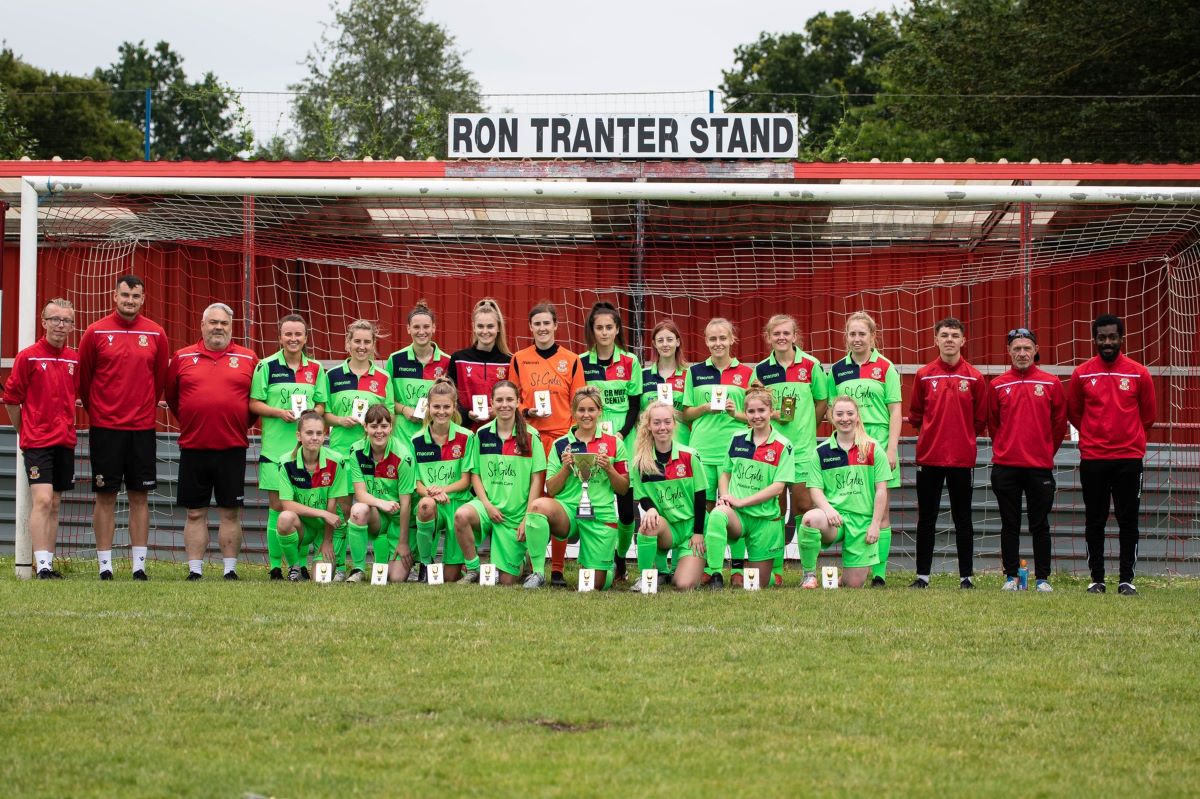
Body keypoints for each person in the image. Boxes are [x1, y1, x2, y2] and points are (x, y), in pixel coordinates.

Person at [76, 275, 169, 581]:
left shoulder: (156, 333)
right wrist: (102, 412)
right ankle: (105, 565)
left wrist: (141, 409)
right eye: (126, 295)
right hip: (106, 429)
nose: (130, 300)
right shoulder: (95, 331)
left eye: (136, 296)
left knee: (139, 496)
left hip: (142, 429)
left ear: (144, 299)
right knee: (105, 496)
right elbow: (84, 381)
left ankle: (138, 565)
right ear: (115, 296)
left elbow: (158, 382)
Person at [165, 303, 257, 580]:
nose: (218, 327)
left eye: (224, 323)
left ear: (232, 327)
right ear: (202, 325)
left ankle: (230, 571)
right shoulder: (182, 357)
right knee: (195, 513)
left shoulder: (248, 357)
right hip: (194, 446)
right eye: (213, 322)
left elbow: (254, 403)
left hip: (232, 447)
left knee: (230, 512)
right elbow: (172, 397)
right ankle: (195, 570)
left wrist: (236, 422)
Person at [1067, 314, 1156, 595]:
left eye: (1112, 337)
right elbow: (1075, 413)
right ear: (1094, 340)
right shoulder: (1081, 374)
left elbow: (1148, 416)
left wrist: (1127, 438)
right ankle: (1097, 579)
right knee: (1095, 519)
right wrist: (1096, 436)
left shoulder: (1138, 373)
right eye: (1102, 337)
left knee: (1128, 520)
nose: (1107, 342)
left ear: (1121, 339)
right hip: (1093, 459)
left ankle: (1126, 579)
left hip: (1129, 459)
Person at [508, 301, 586, 587]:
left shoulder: (572, 360)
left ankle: (556, 569)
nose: (542, 328)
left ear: (555, 325)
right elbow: (512, 400)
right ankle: (532, 564)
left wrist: (574, 439)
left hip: (561, 440)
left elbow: (580, 403)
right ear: (530, 327)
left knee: (557, 502)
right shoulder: (519, 358)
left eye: (546, 323)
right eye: (536, 323)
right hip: (531, 438)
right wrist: (527, 413)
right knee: (531, 501)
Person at [907, 318, 988, 589]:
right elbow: (916, 415)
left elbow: (979, 420)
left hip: (961, 459)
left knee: (963, 518)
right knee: (926, 519)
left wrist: (961, 439)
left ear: (963, 340)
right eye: (944, 335)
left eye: (955, 335)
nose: (950, 339)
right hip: (929, 457)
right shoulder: (924, 374)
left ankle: (966, 576)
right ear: (936, 339)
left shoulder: (975, 377)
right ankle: (922, 576)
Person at [525, 387, 630, 590]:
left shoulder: (614, 443)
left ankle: (606, 567)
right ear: (573, 413)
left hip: (600, 514)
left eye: (591, 409)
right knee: (538, 507)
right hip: (568, 511)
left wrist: (609, 468)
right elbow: (552, 490)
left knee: (594, 585)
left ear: (600, 411)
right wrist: (565, 468)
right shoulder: (560, 444)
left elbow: (624, 488)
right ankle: (537, 572)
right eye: (581, 410)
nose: (586, 415)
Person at [4, 299, 79, 579]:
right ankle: (43, 565)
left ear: (72, 325)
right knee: (44, 500)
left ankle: (45, 562)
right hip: (37, 442)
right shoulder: (29, 357)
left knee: (56, 502)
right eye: (55, 319)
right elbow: (11, 399)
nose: (61, 325)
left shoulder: (74, 358)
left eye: (66, 320)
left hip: (65, 440)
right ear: (44, 322)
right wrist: (23, 430)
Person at [988, 328, 1068, 592]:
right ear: (1009, 352)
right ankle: (1011, 576)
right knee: (1009, 524)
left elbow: (1058, 426)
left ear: (1035, 351)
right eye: (1017, 349)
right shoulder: (998, 385)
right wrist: (1007, 448)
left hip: (1039, 468)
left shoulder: (1051, 383)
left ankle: (1042, 578)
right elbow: (993, 425)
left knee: (1040, 525)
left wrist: (1045, 452)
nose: (1022, 353)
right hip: (1006, 467)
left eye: (1026, 348)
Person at [250, 314, 328, 580]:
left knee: (303, 507)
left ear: (306, 338)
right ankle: (274, 566)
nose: (293, 339)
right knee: (276, 507)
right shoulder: (266, 366)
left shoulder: (316, 369)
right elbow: (254, 403)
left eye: (298, 335)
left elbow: (321, 405)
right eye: (288, 334)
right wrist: (277, 412)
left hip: (308, 454)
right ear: (280, 337)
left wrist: (309, 413)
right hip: (275, 452)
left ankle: (300, 564)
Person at [754, 313, 829, 586]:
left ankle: (809, 572)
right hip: (771, 450)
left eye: (786, 333)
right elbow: (755, 405)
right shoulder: (762, 370)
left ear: (795, 336)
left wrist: (808, 427)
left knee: (803, 506)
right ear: (769, 338)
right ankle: (776, 570)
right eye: (776, 334)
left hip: (803, 449)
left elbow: (822, 401)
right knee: (774, 507)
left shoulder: (811, 365)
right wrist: (773, 415)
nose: (782, 338)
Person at [829, 312, 901, 587]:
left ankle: (879, 574)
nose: (857, 339)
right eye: (852, 334)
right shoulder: (837, 369)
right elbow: (832, 410)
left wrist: (892, 448)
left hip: (879, 447)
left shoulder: (886, 367)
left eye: (862, 334)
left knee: (881, 512)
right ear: (846, 337)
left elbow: (895, 411)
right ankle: (857, 562)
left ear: (873, 336)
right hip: (848, 448)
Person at [454, 380, 547, 587]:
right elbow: (475, 474)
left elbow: (537, 480)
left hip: (514, 515)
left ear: (518, 402)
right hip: (488, 508)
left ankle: (523, 559)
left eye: (509, 400)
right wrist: (486, 505)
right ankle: (473, 568)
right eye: (499, 400)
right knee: (461, 515)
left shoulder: (531, 436)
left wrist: (527, 519)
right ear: (492, 403)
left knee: (507, 582)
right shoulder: (482, 434)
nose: (504, 404)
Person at [682, 318, 753, 584]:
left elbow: (757, 414)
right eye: (712, 339)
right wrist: (705, 408)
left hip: (733, 450)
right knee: (708, 509)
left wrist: (738, 414)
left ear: (732, 339)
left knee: (731, 507)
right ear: (706, 342)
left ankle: (736, 567)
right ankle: (711, 569)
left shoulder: (746, 373)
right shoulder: (695, 372)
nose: (718, 343)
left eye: (723, 338)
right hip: (701, 448)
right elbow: (685, 413)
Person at [702, 384, 794, 589]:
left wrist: (742, 501)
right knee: (717, 514)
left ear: (771, 411)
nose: (756, 416)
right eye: (751, 411)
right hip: (738, 517)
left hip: (764, 520)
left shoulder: (783, 445)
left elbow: (778, 487)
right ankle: (716, 574)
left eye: (761, 410)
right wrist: (725, 496)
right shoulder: (736, 439)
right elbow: (725, 472)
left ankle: (773, 574)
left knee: (758, 584)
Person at [322, 319, 393, 579]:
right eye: (357, 341)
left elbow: (390, 415)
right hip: (341, 452)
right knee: (342, 509)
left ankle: (378, 568)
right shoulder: (332, 376)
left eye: (367, 342)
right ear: (347, 343)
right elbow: (323, 412)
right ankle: (340, 568)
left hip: (372, 455)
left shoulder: (384, 378)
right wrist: (339, 420)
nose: (361, 347)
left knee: (372, 511)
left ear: (374, 345)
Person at [799, 396, 893, 588]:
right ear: (831, 417)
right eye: (839, 414)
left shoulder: (873, 449)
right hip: (834, 519)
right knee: (809, 519)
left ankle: (846, 576)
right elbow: (815, 489)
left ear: (858, 416)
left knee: (854, 584)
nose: (845, 418)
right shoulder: (821, 452)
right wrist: (827, 509)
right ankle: (809, 575)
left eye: (850, 413)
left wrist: (875, 524)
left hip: (862, 523)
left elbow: (881, 491)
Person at [580, 301, 642, 582]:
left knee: (627, 510)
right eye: (599, 327)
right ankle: (598, 557)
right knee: (595, 501)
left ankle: (620, 556)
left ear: (617, 330)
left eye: (609, 327)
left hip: (622, 442)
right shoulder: (581, 363)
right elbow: (580, 404)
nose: (604, 332)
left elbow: (634, 406)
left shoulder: (630, 362)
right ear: (592, 331)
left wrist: (620, 435)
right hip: (592, 444)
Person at [629, 402, 709, 590]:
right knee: (648, 524)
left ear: (674, 423)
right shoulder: (641, 461)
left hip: (691, 530)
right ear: (648, 425)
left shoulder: (690, 455)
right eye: (656, 423)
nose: (662, 427)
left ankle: (671, 568)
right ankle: (646, 576)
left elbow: (701, 496)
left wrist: (698, 533)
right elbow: (643, 496)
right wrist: (649, 509)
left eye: (667, 422)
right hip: (668, 528)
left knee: (683, 584)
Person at [268, 411, 346, 581]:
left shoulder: (337, 461)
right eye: (309, 433)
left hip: (329, 528)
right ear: (299, 435)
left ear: (325, 435)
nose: (314, 437)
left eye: (319, 433)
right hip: (305, 526)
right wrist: (322, 513)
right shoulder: (286, 462)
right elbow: (287, 505)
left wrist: (327, 540)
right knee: (284, 518)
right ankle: (294, 568)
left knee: (320, 580)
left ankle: (339, 566)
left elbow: (332, 507)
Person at [411, 378, 474, 582]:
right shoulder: (416, 440)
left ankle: (460, 566)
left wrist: (443, 490)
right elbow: (416, 484)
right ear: (428, 407)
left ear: (454, 406)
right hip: (432, 501)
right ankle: (425, 564)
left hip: (457, 503)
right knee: (425, 506)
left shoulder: (467, 437)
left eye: (446, 406)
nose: (441, 411)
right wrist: (433, 494)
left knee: (449, 578)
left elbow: (466, 481)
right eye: (436, 406)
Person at [346, 405, 416, 583]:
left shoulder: (403, 455)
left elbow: (406, 504)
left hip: (398, 519)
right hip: (377, 514)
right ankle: (358, 570)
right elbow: (360, 494)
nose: (379, 431)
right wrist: (381, 503)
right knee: (358, 509)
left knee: (396, 578)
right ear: (365, 427)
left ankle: (410, 560)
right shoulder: (356, 451)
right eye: (374, 426)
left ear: (391, 427)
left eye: (384, 426)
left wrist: (403, 542)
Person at [387, 300, 452, 442]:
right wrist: (405, 410)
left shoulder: (447, 361)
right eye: (416, 327)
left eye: (426, 327)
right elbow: (386, 399)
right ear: (408, 328)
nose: (421, 332)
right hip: (402, 435)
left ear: (434, 328)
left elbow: (452, 399)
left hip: (434, 434)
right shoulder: (396, 359)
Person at [447, 298, 512, 430]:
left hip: (500, 432)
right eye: (480, 326)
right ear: (474, 327)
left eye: (490, 326)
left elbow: (516, 399)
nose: (485, 331)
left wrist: (497, 412)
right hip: (465, 431)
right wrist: (466, 415)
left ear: (498, 327)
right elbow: (449, 397)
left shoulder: (509, 361)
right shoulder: (458, 359)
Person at [638, 320, 690, 446]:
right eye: (660, 340)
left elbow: (692, 413)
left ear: (677, 342)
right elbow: (637, 412)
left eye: (669, 339)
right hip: (649, 442)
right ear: (654, 344)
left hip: (681, 441)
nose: (665, 344)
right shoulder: (642, 374)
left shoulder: (689, 375)